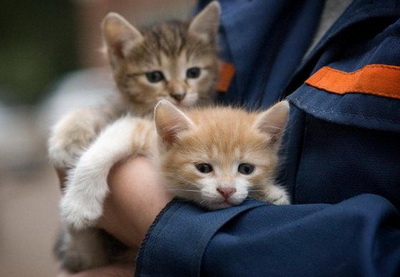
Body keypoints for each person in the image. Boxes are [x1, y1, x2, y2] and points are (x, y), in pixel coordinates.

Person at [59, 0, 400, 276]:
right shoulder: (240, 9)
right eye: (158, 77)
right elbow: (138, 126)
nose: (179, 91)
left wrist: (160, 222)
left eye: (193, 74)